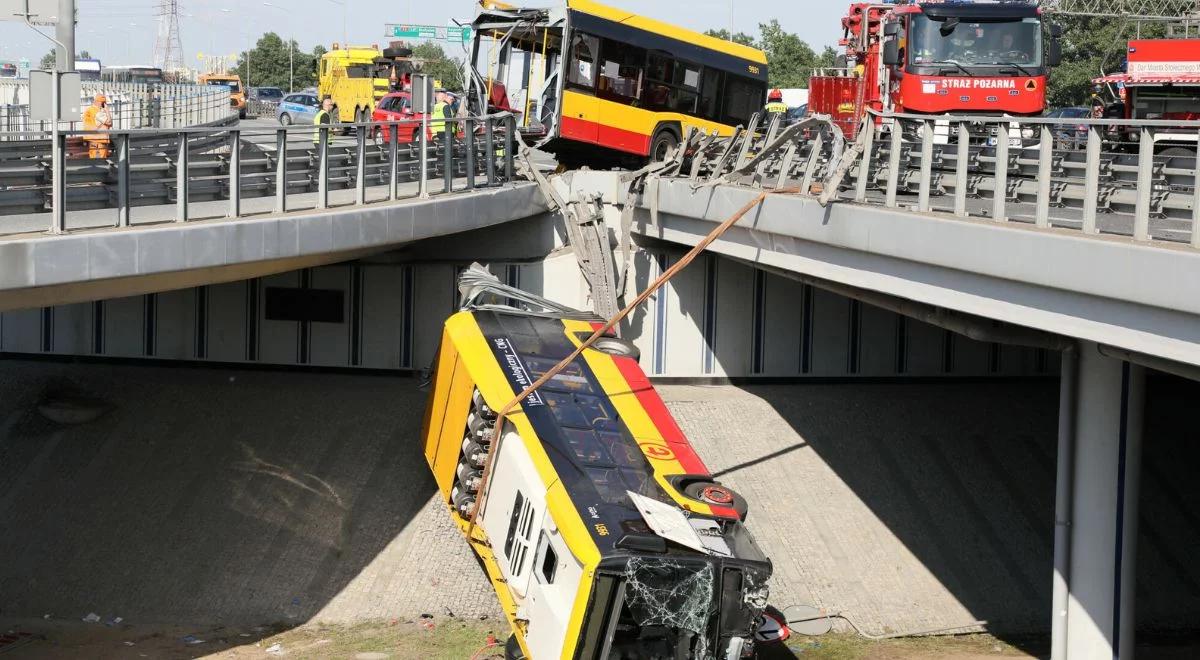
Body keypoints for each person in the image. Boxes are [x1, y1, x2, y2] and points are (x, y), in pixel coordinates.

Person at [82, 93, 113, 159]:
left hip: (93, 139)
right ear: (99, 102)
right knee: (102, 159)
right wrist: (107, 110)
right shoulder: (96, 111)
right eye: (103, 103)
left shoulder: (89, 110)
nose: (104, 105)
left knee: (93, 159)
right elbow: (109, 123)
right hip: (99, 139)